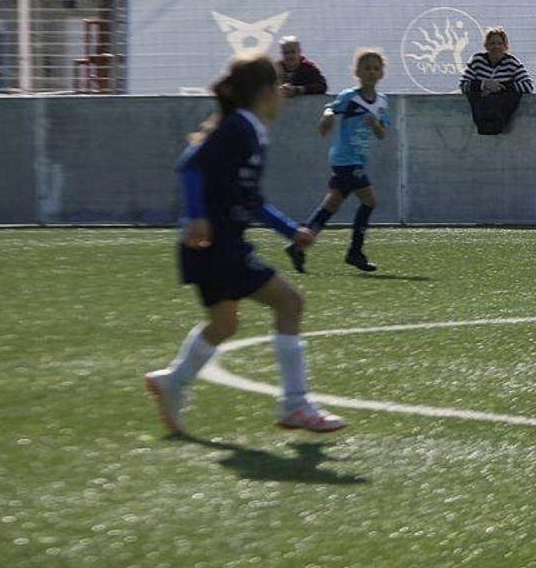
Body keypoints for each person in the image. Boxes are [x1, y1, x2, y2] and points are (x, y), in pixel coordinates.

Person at [144, 51, 344, 436]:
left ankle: (173, 382)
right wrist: (197, 215)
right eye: (281, 89)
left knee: (223, 323)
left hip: (207, 246)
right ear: (268, 91)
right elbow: (189, 165)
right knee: (290, 303)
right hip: (216, 244)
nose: (285, 96)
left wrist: (290, 231)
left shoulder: (250, 129)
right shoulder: (239, 127)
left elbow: (250, 199)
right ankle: (295, 404)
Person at [286, 48, 391, 275]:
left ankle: (298, 246)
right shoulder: (350, 96)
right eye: (367, 68)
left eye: (376, 68)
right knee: (369, 201)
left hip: (357, 160)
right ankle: (355, 251)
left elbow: (382, 134)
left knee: (330, 206)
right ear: (358, 72)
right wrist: (327, 119)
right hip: (345, 158)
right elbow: (331, 109)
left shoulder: (382, 102)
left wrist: (375, 125)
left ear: (382, 72)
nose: (371, 72)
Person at [461, 27, 533, 136]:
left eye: (499, 43)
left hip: (501, 113)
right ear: (486, 45)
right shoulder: (477, 61)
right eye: (492, 43)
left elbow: (528, 86)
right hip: (480, 111)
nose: (496, 47)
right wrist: (483, 85)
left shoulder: (512, 63)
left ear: (505, 46)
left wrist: (499, 87)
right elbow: (463, 84)